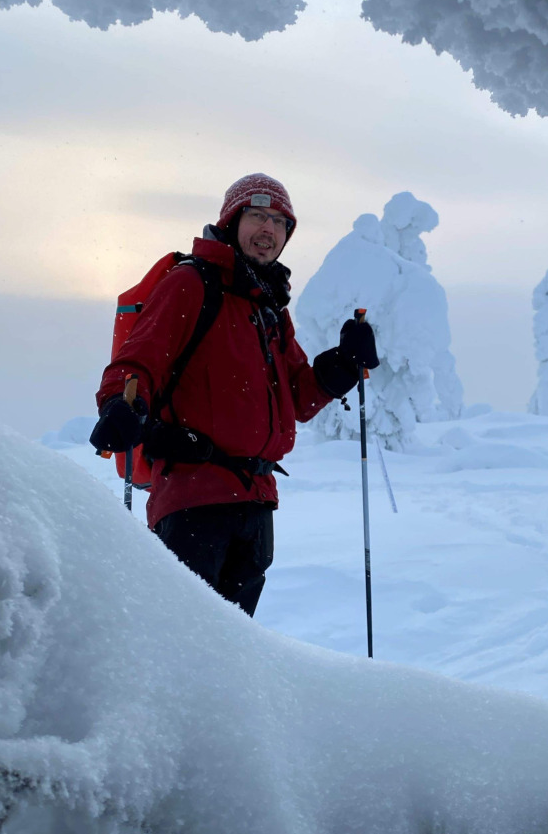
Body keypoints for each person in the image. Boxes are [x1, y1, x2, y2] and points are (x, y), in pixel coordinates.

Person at [90, 173, 378, 616]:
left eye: (280, 223)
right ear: (231, 221)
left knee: (233, 651)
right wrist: (119, 405)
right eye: (258, 216)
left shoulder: (268, 309)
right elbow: (137, 361)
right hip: (194, 498)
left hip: (257, 502)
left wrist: (343, 362)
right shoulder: (192, 283)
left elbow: (299, 398)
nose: (269, 230)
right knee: (182, 636)